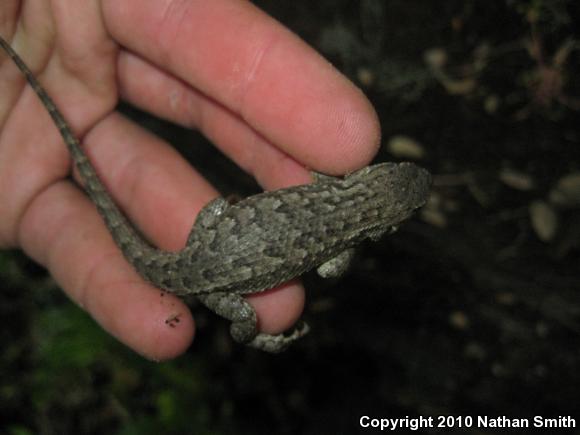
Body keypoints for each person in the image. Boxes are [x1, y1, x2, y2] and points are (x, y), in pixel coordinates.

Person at [0, 0, 380, 360]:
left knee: (223, 225)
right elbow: (329, 269)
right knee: (247, 317)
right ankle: (257, 337)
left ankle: (255, 332)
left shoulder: (329, 185)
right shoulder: (341, 240)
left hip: (212, 265)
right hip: (216, 270)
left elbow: (320, 234)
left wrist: (228, 214)